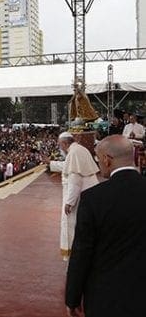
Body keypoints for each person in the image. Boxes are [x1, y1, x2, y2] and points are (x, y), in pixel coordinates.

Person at [65, 135, 146, 317]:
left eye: (98, 158)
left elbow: (82, 253)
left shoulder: (93, 199)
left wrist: (72, 298)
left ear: (107, 160)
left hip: (106, 298)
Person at [58, 131, 99, 260]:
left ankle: (75, 255)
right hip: (89, 193)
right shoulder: (79, 149)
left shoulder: (74, 152)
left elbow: (75, 180)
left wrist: (69, 202)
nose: (60, 148)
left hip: (80, 196)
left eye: (60, 145)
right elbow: (69, 168)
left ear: (65, 143)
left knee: (72, 225)